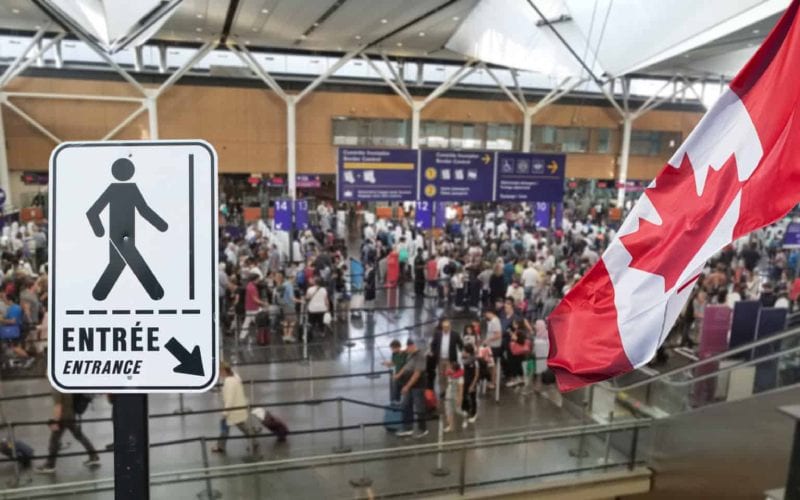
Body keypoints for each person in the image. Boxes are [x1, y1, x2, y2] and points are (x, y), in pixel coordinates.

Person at [35, 392, 100, 473]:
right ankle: (94, 456)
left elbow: (58, 406)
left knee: (54, 440)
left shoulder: (57, 388)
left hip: (63, 418)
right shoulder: (64, 385)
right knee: (79, 436)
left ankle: (50, 465)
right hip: (71, 415)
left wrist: (55, 421)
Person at [212, 362, 257, 455]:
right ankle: (254, 442)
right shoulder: (235, 377)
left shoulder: (229, 382)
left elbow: (230, 399)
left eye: (219, 371)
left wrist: (225, 413)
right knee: (242, 427)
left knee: (225, 426)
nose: (219, 374)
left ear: (223, 371)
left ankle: (220, 446)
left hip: (233, 410)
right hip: (239, 408)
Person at [394, 338, 429, 438]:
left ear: (413, 346)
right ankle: (407, 427)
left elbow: (417, 374)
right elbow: (406, 366)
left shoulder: (420, 356)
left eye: (408, 347)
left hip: (418, 386)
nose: (406, 349)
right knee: (405, 405)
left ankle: (423, 429)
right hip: (408, 385)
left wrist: (407, 386)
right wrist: (398, 375)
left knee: (419, 407)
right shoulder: (410, 354)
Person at [430, 319, 463, 398]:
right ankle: (443, 390)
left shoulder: (455, 334)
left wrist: (462, 353)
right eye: (444, 327)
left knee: (449, 375)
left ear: (450, 327)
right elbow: (433, 344)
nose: (445, 328)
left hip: (450, 359)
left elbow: (460, 344)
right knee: (441, 375)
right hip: (440, 358)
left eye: (447, 327)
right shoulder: (437, 334)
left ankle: (449, 391)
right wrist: (434, 353)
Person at [239, 274, 265, 341]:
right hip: (254, 307)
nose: (259, 280)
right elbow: (255, 299)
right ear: (255, 279)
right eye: (258, 279)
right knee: (259, 321)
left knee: (247, 322)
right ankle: (260, 336)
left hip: (249, 307)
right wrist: (263, 303)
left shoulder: (249, 285)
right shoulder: (252, 287)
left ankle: (242, 336)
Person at [305, 277, 330, 342]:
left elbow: (307, 298)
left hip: (312, 309)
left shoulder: (310, 289)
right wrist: (328, 308)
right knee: (321, 321)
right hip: (322, 308)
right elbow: (326, 300)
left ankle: (310, 333)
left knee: (311, 321)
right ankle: (322, 333)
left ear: (314, 282)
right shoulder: (324, 289)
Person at [461, 344, 480, 427]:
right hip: (464, 382)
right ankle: (466, 410)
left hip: (471, 382)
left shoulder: (475, 361)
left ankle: (474, 414)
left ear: (467, 352)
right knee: (464, 396)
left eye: (463, 351)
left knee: (473, 398)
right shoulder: (464, 360)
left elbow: (476, 374)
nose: (462, 352)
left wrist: (473, 385)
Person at [484, 309, 503, 389]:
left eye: (486, 314)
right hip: (491, 346)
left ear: (489, 313)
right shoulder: (492, 321)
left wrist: (487, 340)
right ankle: (491, 381)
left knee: (492, 365)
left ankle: (493, 382)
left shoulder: (495, 321)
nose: (485, 316)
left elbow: (498, 335)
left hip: (494, 347)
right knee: (490, 365)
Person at [443, 363, 463, 433]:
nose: (449, 369)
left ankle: (465, 417)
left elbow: (460, 389)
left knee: (458, 411)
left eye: (451, 368)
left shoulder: (460, 378)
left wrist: (460, 399)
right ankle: (450, 426)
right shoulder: (449, 375)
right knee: (448, 411)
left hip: (455, 397)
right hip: (448, 396)